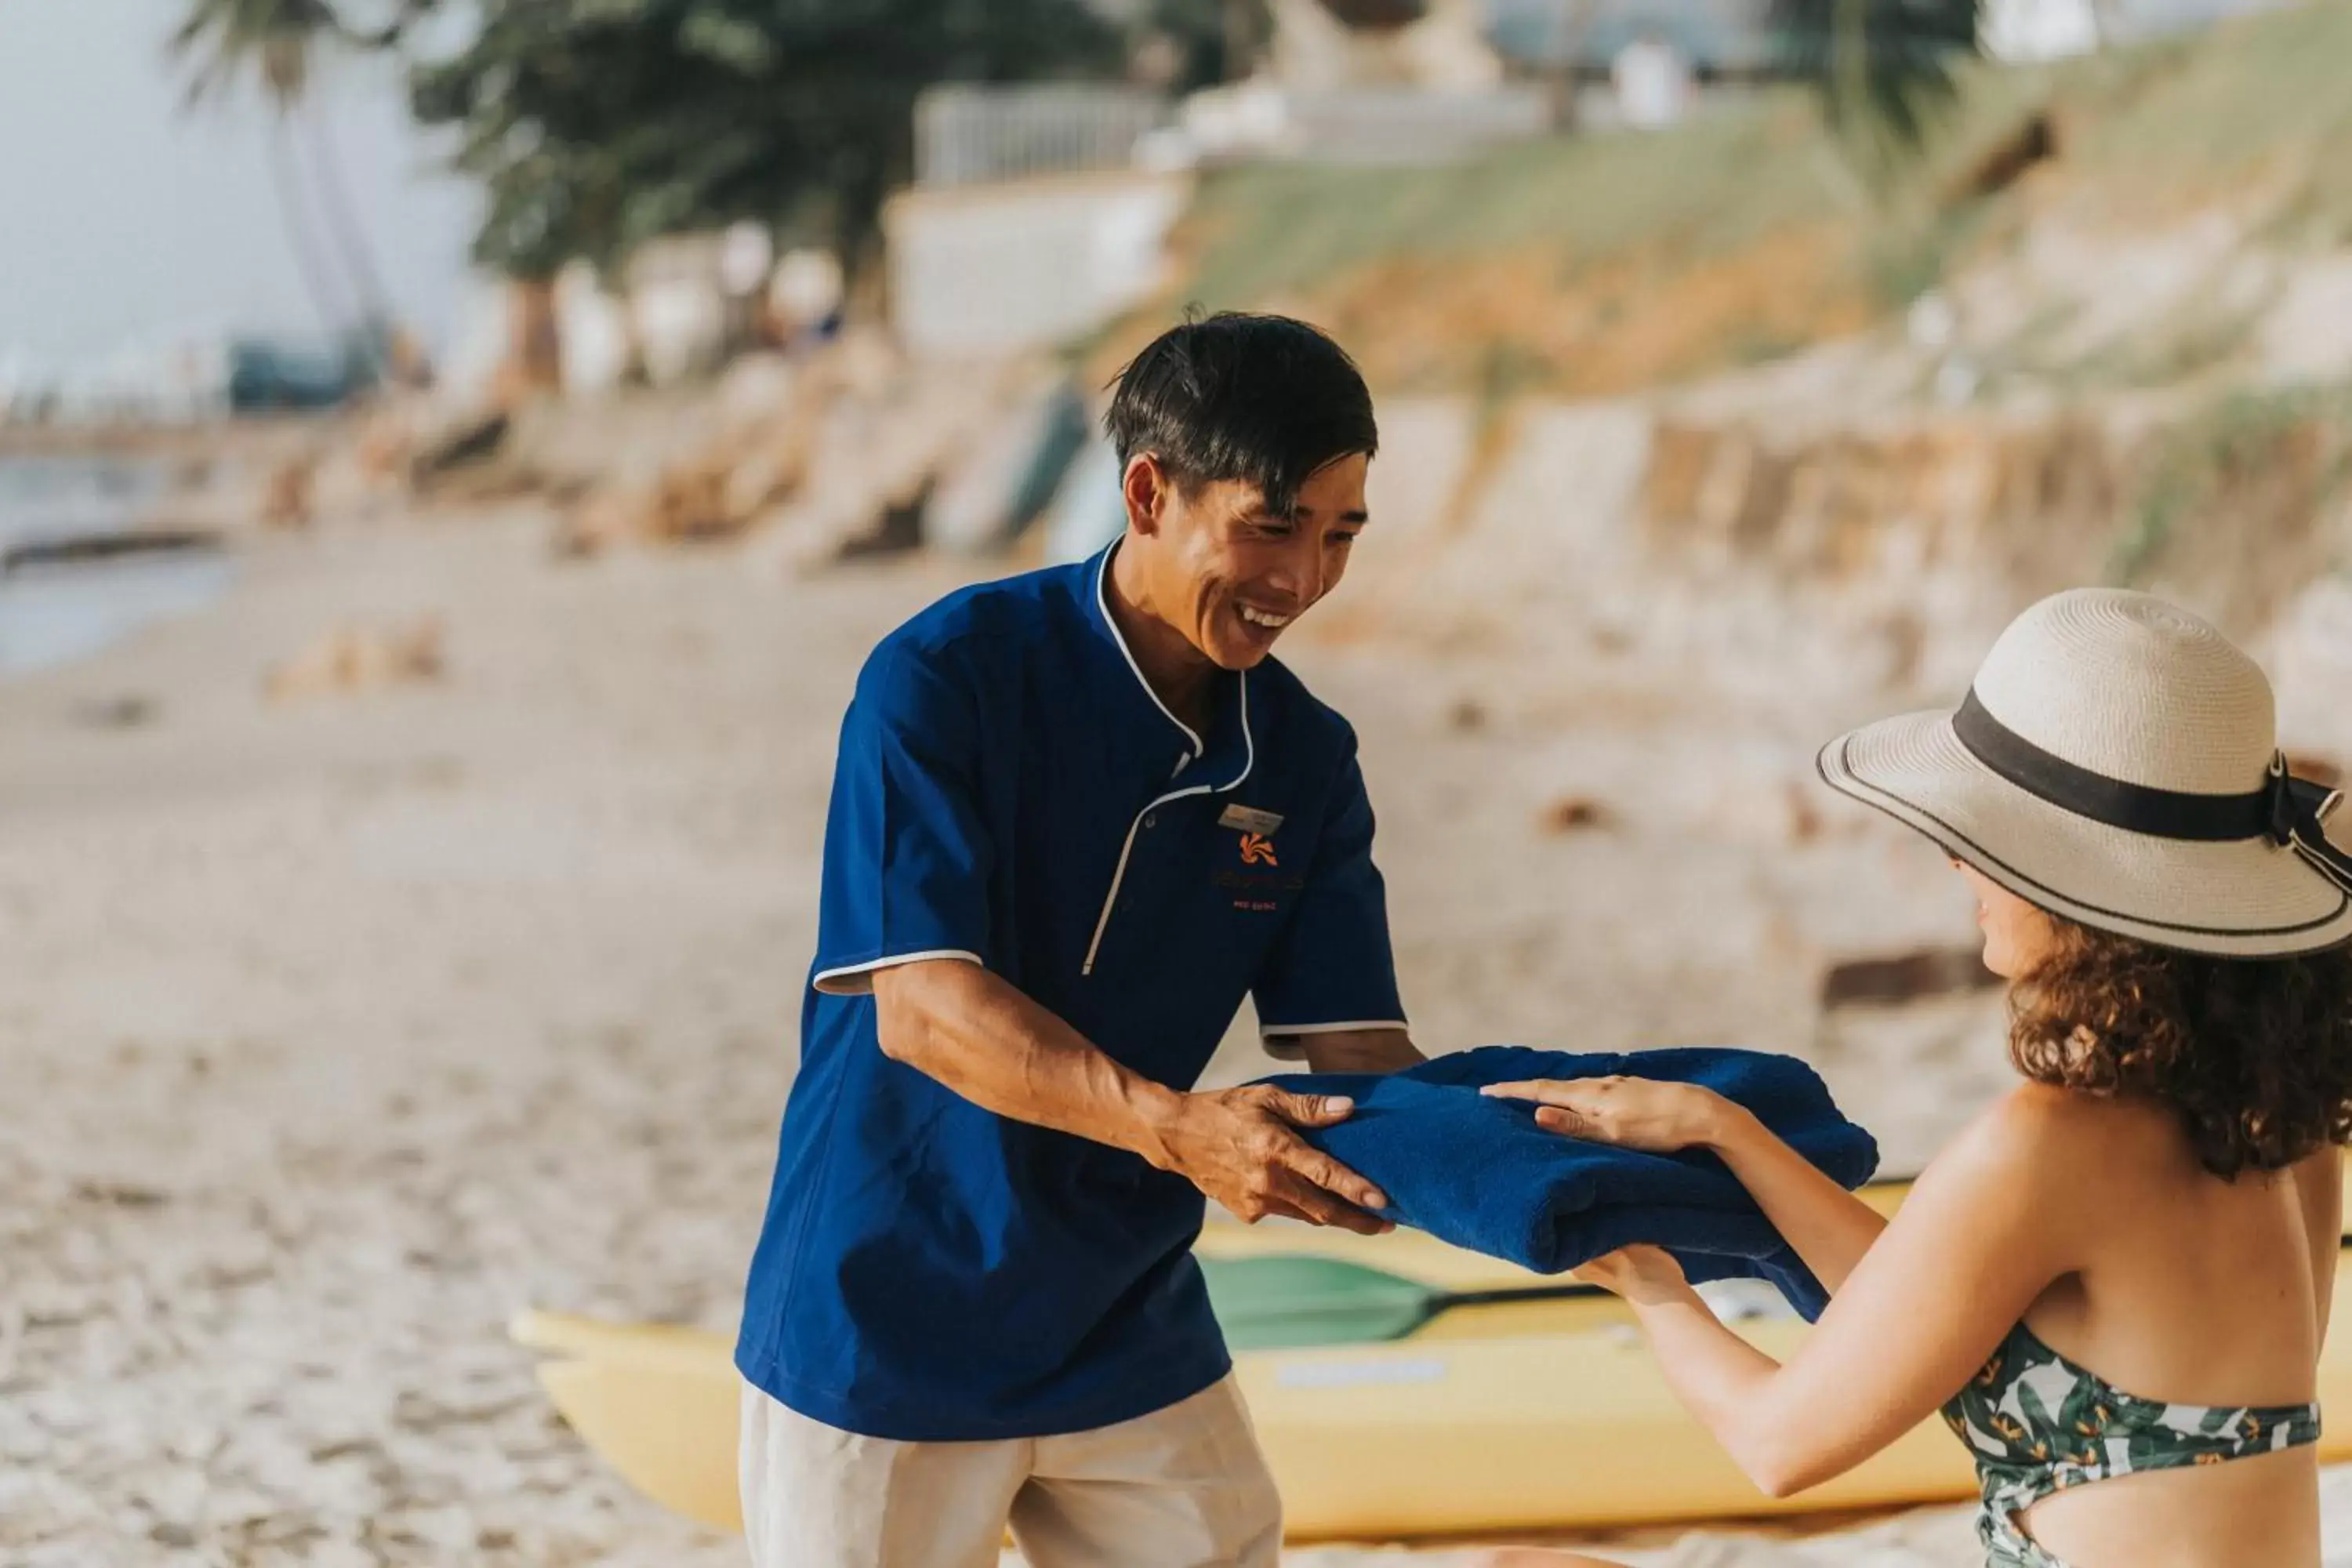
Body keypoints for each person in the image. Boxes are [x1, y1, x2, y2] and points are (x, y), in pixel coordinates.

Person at [733, 312, 1426, 1568]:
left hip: (1125, 1313)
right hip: (889, 1307)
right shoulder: (944, 677)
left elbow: (1360, 1052)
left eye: (1339, 538)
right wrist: (1185, 1132)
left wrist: (1550, 1156)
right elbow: (925, 1009)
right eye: (1272, 527)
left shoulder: (1308, 756)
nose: (1305, 580)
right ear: (1150, 492)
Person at [1486, 588, 2352, 1567]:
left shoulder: (2054, 1140)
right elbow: (1943, 1310)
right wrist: (1729, 1131)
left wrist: (1646, 1281)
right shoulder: (2282, 1110)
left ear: (2076, 882)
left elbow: (1779, 1442)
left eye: (1979, 835)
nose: (1950, 858)